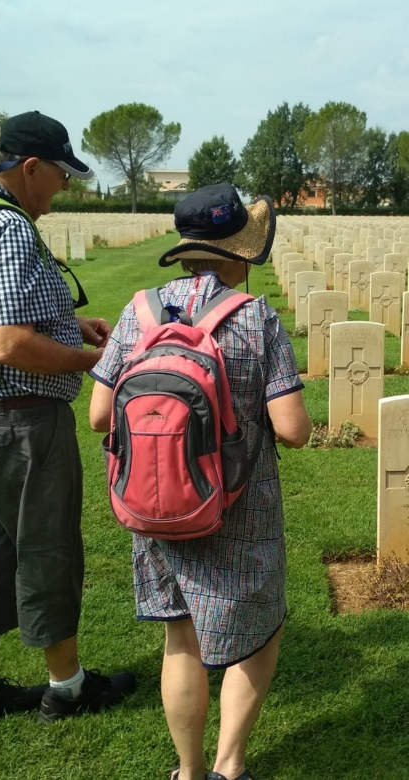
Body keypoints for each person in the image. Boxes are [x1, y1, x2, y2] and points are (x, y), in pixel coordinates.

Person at [89, 183, 312, 780]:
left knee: (180, 637)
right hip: (241, 506)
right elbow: (292, 429)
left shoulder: (140, 311)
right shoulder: (257, 318)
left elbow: (98, 416)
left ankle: (187, 772)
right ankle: (229, 766)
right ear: (238, 254)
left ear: (185, 251)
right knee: (258, 630)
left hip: (159, 503)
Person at [0, 110, 135, 733]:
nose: (64, 187)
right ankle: (67, 687)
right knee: (46, 547)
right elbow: (10, 344)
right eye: (60, 174)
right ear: (29, 167)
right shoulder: (9, 229)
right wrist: (94, 358)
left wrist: (70, 323)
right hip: (17, 419)